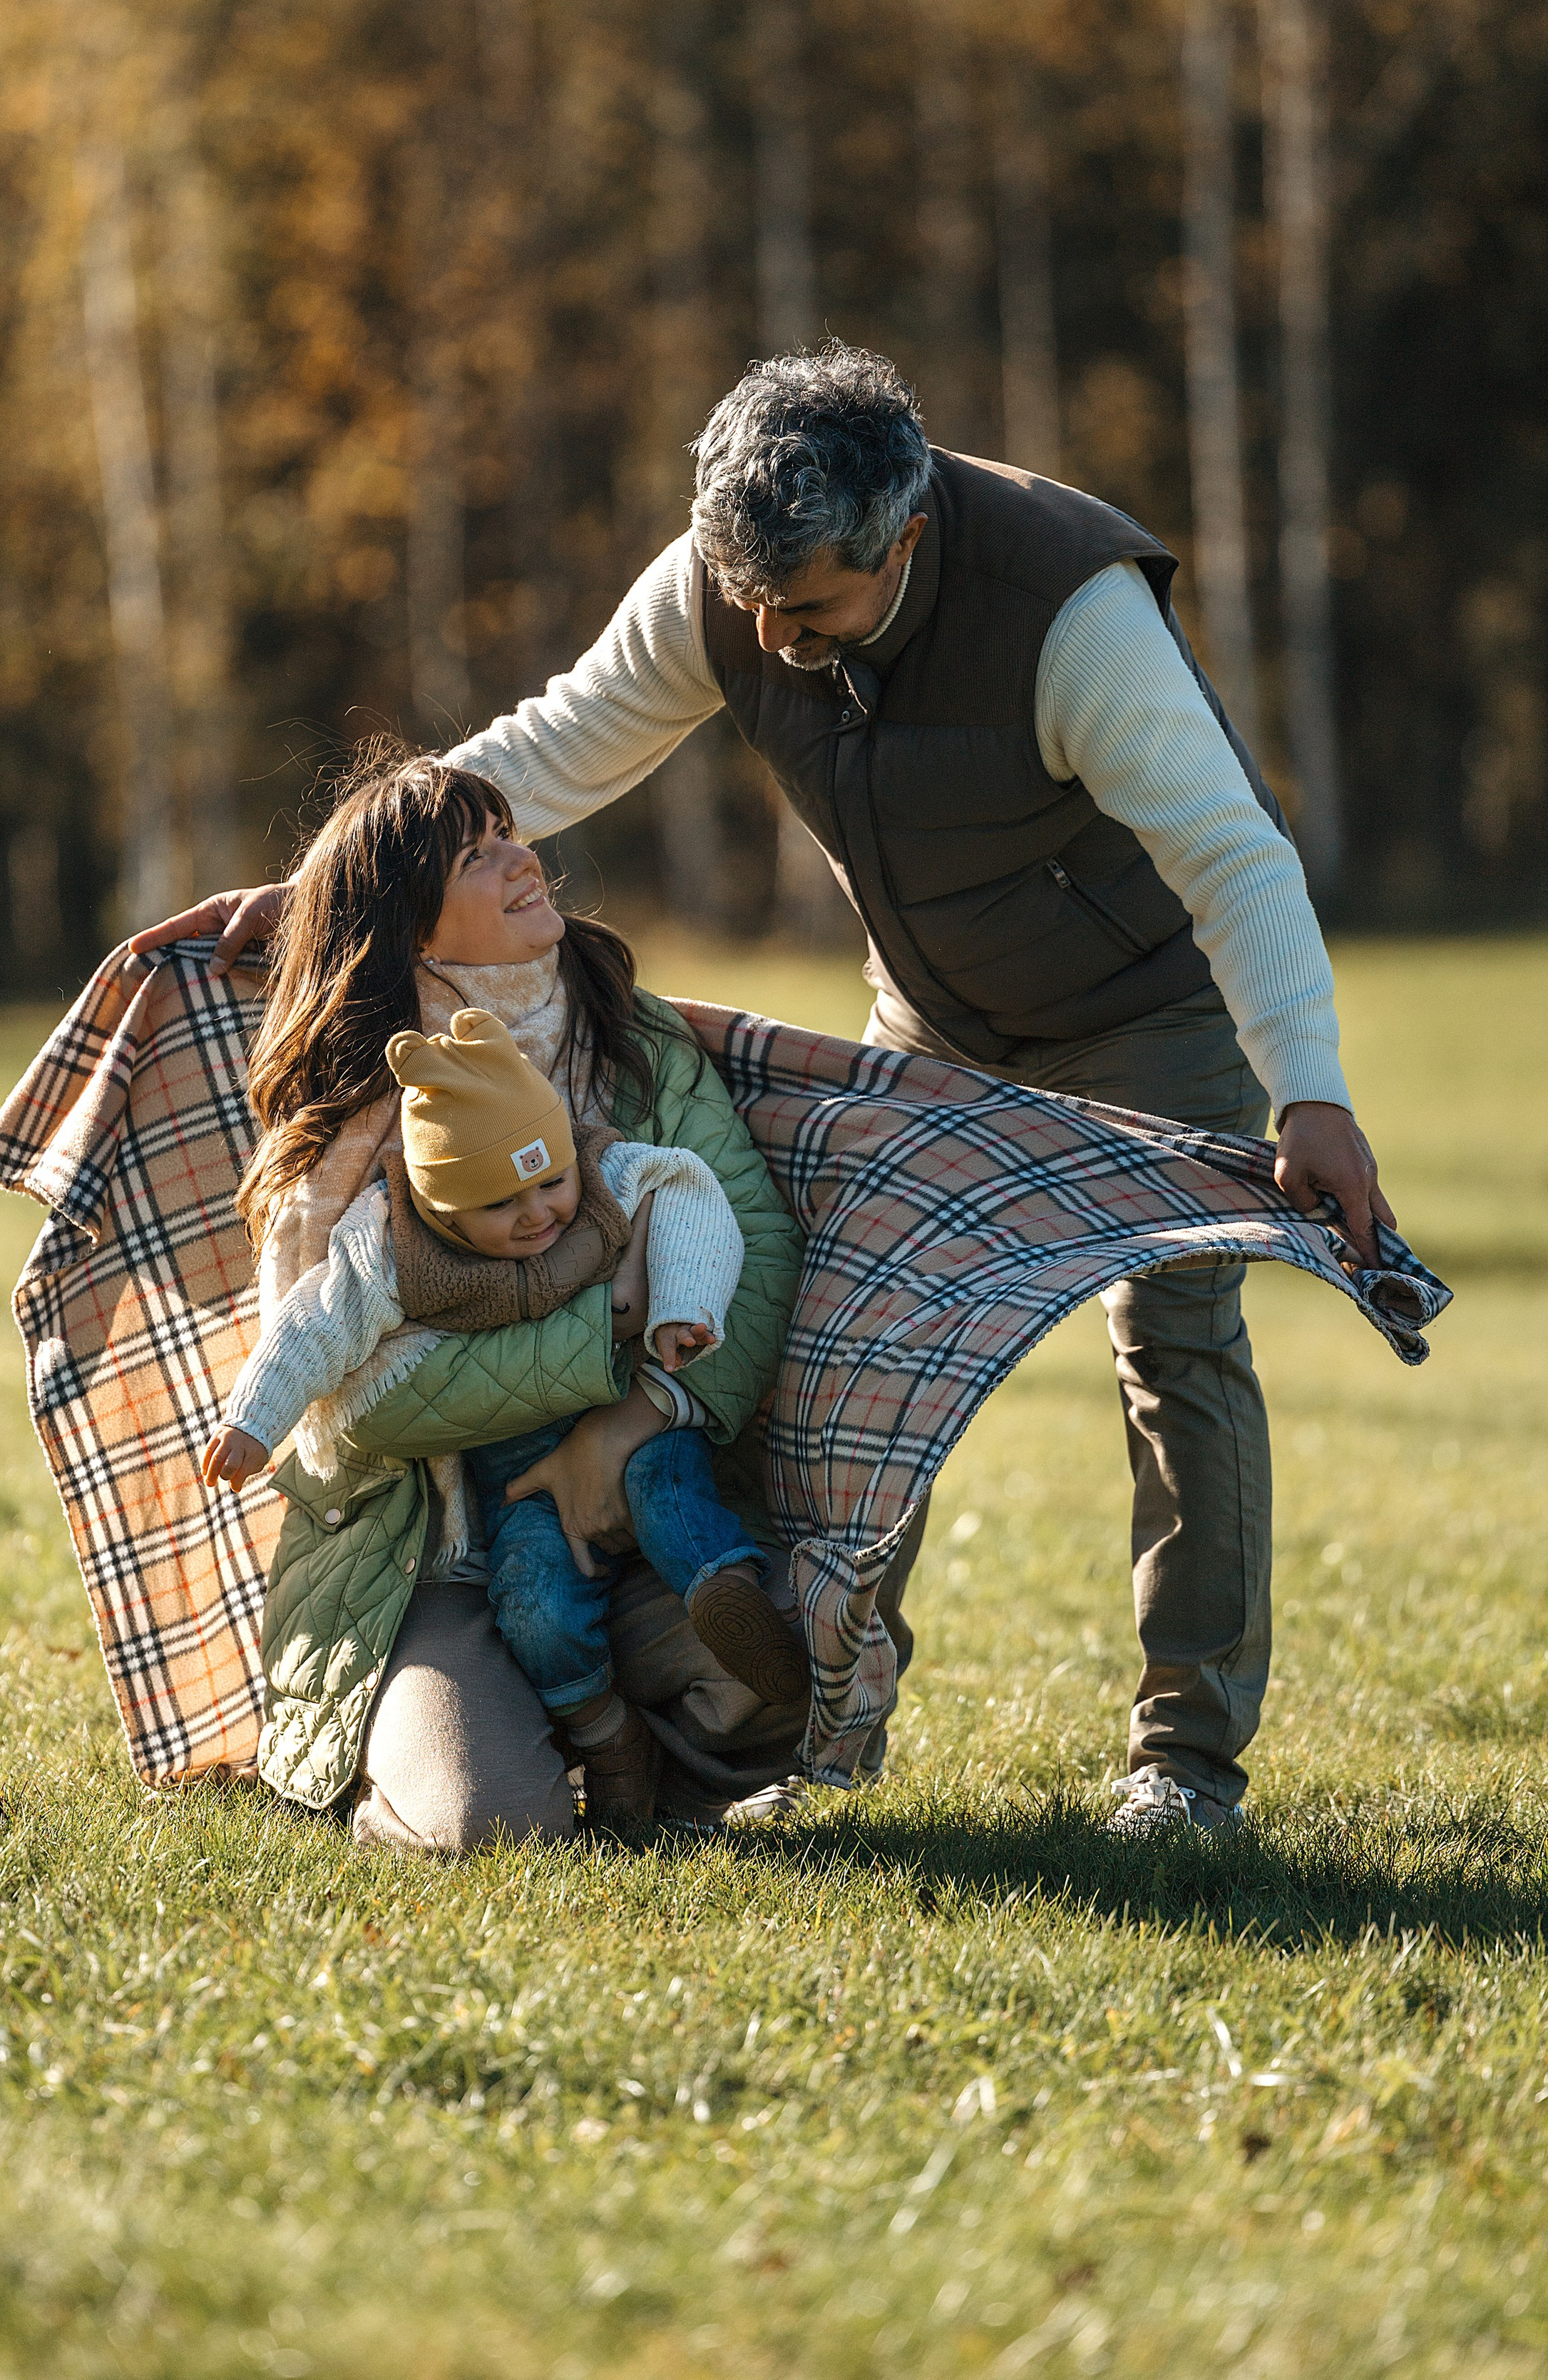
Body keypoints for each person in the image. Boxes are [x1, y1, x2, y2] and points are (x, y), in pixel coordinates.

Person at [140, 343, 1399, 1842]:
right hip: (931, 1010)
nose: (762, 632)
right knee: (853, 1344)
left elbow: (1228, 851)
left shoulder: (1069, 613)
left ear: (906, 535)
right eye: (743, 600)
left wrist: (1305, 1094)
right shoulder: (729, 587)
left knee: (1173, 1343)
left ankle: (1182, 1763)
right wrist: (329, 882)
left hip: (1143, 1005)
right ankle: (808, 1719)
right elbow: (556, 745)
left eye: (801, 610)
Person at [195, 746, 806, 1852]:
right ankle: (494, 1730)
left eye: (511, 834)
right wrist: (608, 1319)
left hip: (637, 1481)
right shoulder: (364, 1121)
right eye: (479, 856)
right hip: (427, 1548)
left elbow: (750, 1248)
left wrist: (622, 1430)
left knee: (800, 1637)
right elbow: (364, 1404)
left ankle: (652, 1765)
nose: (525, 861)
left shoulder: (631, 1031)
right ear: (414, 928)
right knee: (483, 1825)